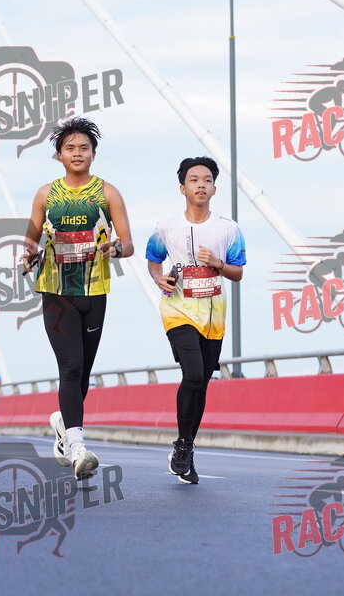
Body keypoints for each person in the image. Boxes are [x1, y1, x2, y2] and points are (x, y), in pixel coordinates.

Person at [21, 117, 134, 478]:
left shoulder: (108, 193)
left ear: (93, 154)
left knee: (82, 371)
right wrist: (28, 254)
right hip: (56, 290)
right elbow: (30, 239)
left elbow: (128, 243)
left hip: (95, 290)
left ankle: (64, 426)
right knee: (70, 367)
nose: (77, 153)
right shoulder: (45, 194)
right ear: (59, 155)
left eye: (84, 147)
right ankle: (78, 449)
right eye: (70, 148)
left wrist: (116, 248)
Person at [146, 157, 246, 484]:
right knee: (192, 374)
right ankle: (182, 445)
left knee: (201, 381)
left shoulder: (229, 229)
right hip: (178, 309)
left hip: (213, 313)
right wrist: (159, 278)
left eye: (207, 180)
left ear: (214, 188)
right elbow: (153, 261)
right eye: (193, 180)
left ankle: (186, 446)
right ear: (182, 188)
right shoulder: (166, 227)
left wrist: (217, 263)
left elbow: (238, 273)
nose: (201, 184)